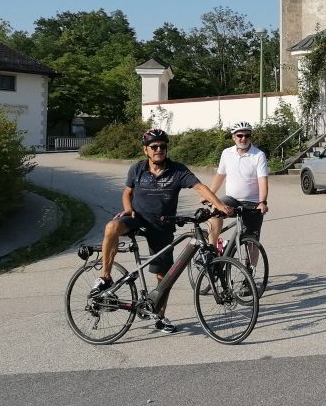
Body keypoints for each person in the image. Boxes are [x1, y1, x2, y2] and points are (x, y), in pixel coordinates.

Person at [90, 128, 233, 334]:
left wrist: (219, 204)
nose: (159, 150)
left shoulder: (177, 170)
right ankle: (105, 276)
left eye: (162, 146)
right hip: (137, 219)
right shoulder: (137, 169)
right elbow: (127, 192)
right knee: (111, 227)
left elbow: (199, 187)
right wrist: (128, 208)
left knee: (164, 276)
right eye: (154, 147)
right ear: (145, 150)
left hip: (162, 226)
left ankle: (159, 316)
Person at [207, 121, 269, 272]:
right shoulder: (226, 153)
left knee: (252, 241)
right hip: (232, 199)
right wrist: (210, 195)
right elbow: (220, 175)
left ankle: (250, 273)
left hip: (252, 202)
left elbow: (262, 181)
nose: (243, 138)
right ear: (233, 137)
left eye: (247, 135)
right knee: (214, 210)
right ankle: (212, 252)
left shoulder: (258, 155)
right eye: (240, 135)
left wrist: (262, 202)